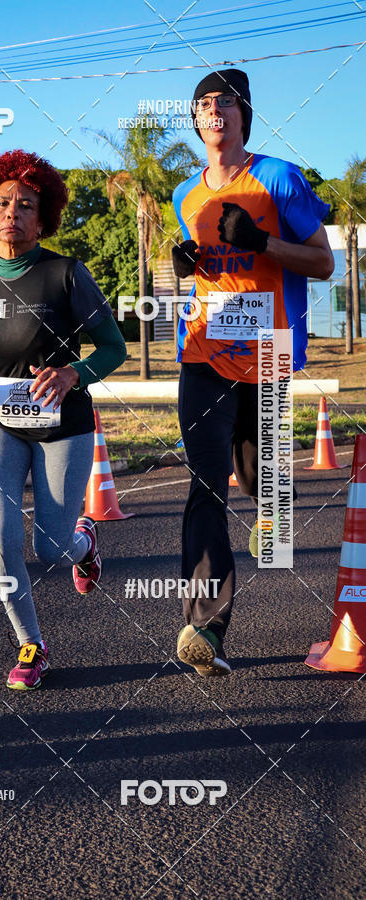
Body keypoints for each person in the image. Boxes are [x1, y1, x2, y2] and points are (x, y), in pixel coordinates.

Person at [0, 149, 127, 691]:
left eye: (25, 204)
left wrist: (73, 375)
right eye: (1, 203)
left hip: (63, 424)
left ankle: (83, 544)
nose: (12, 212)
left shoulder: (65, 274)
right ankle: (31, 644)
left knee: (50, 547)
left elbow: (114, 348)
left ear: (43, 220)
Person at [171, 69, 334, 676]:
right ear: (194, 120)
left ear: (243, 114)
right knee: (205, 485)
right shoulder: (186, 194)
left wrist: (262, 241)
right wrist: (185, 263)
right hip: (203, 353)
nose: (213, 112)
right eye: (203, 105)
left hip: (268, 354)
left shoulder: (279, 177)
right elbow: (210, 271)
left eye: (225, 103)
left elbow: (322, 263)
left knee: (258, 483)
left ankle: (271, 503)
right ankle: (205, 630)